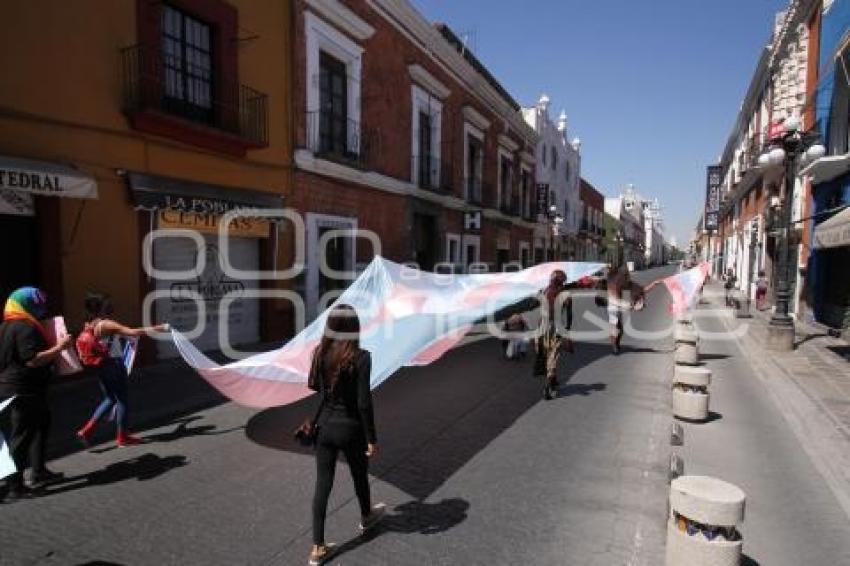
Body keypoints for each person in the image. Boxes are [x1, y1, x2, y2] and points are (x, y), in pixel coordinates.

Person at [308, 304, 385, 565]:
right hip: (351, 428)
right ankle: (366, 516)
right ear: (355, 328)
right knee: (359, 475)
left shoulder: (320, 352)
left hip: (326, 428)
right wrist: (372, 438)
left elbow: (316, 387)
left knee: (323, 485)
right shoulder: (361, 357)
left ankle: (317, 548)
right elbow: (364, 403)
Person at [0, 287, 72, 501]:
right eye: (37, 303)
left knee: (40, 425)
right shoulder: (25, 327)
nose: (41, 308)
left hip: (20, 388)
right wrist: (60, 347)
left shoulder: (5, 325)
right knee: (21, 437)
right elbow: (32, 359)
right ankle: (15, 487)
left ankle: (39, 471)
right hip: (23, 390)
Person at [75, 293, 167, 447]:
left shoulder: (89, 324)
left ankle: (86, 430)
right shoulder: (106, 324)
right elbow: (133, 332)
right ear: (101, 307)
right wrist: (160, 327)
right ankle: (122, 437)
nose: (110, 306)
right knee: (122, 401)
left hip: (102, 367)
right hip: (114, 366)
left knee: (110, 399)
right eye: (107, 303)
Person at [534, 270, 573, 400]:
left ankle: (553, 380)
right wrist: (567, 329)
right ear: (562, 281)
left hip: (542, 326)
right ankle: (548, 387)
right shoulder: (564, 294)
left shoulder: (544, 291)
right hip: (555, 326)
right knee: (553, 356)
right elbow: (569, 314)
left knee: (545, 354)